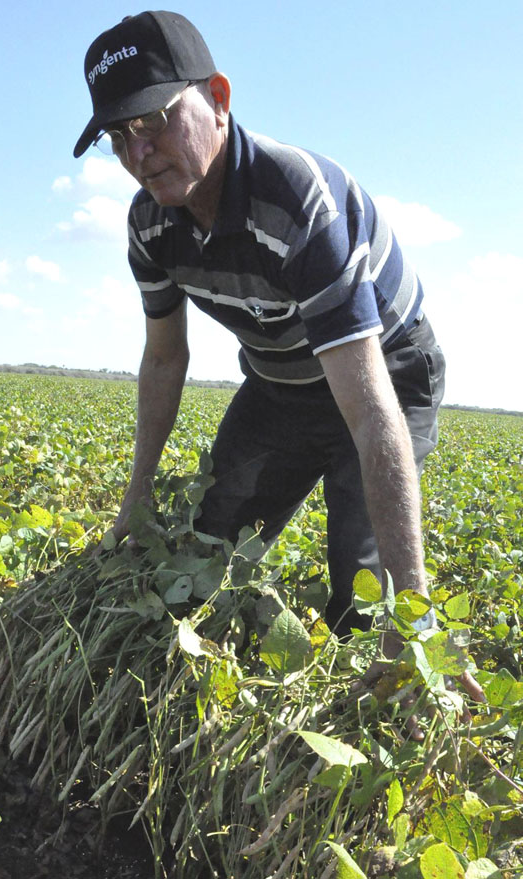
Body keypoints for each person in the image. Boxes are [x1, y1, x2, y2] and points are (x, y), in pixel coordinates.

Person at [73, 11, 484, 724]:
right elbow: (164, 357)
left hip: (386, 373)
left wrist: (412, 608)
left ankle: (391, 718)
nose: (138, 152)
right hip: (281, 382)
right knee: (204, 550)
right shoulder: (150, 226)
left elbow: (370, 410)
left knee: (367, 598)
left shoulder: (296, 200)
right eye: (118, 136)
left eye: (155, 120)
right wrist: (135, 499)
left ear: (219, 98)